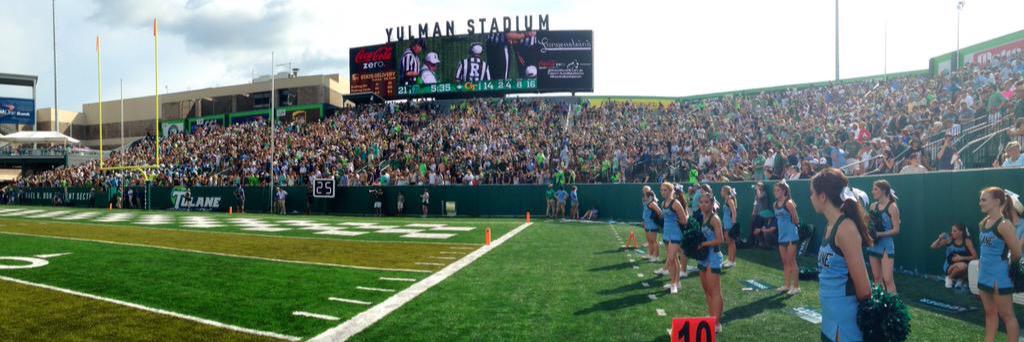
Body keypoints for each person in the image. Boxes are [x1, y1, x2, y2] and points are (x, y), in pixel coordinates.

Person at [809, 168, 873, 342]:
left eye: (812, 193)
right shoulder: (830, 225)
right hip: (829, 317)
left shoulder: (845, 228)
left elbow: (864, 289)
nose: (810, 197)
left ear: (823, 197)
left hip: (845, 321)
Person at [976, 187, 1021, 342]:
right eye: (980, 199)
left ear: (996, 201)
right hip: (984, 274)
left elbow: (1016, 252)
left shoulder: (1004, 224)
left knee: (1007, 316)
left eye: (983, 199)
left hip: (999, 276)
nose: (980, 203)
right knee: (989, 313)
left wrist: (1008, 270)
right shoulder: (984, 223)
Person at [653, 182, 690, 294]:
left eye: (665, 190)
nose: (663, 192)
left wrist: (675, 222)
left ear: (671, 191)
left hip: (675, 234)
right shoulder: (664, 203)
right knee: (673, 260)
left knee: (671, 257)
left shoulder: (676, 203)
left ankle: (673, 284)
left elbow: (684, 220)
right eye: (662, 190)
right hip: (666, 234)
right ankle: (676, 282)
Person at [697, 193, 725, 333]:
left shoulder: (715, 219)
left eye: (706, 202)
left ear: (712, 203)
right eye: (701, 202)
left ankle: (717, 323)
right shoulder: (702, 216)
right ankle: (711, 317)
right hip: (704, 257)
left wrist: (704, 244)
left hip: (713, 256)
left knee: (715, 292)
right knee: (707, 290)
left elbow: (720, 240)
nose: (703, 204)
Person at [867, 180, 901, 293]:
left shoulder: (892, 207)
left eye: (875, 189)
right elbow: (870, 226)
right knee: (877, 278)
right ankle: (880, 305)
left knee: (888, 279)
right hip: (873, 244)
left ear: (884, 191)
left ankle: (894, 309)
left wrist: (879, 234)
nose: (872, 191)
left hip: (886, 245)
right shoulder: (872, 206)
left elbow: (896, 230)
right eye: (873, 189)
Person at [773, 180, 801, 295]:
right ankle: (786, 285)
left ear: (784, 191)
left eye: (778, 190)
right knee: (785, 261)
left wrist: (790, 229)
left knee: (791, 261)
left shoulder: (789, 203)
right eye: (775, 190)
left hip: (791, 235)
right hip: (781, 236)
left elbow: (796, 220)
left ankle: (796, 287)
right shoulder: (774, 205)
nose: (776, 192)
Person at [930, 223, 976, 289]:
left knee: (966, 267)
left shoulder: (967, 241)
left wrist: (961, 258)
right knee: (963, 266)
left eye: (954, 231)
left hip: (964, 268)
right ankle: (949, 278)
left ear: (961, 232)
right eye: (952, 231)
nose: (952, 233)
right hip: (949, 267)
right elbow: (933, 246)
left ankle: (960, 280)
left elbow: (975, 257)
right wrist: (939, 238)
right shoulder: (949, 240)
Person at [750, 182, 774, 249]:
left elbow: (760, 196)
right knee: (756, 229)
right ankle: (759, 243)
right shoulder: (756, 195)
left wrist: (758, 189)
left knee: (762, 229)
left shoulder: (764, 193)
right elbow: (755, 204)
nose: (756, 188)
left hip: (764, 214)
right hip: (758, 214)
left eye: (758, 186)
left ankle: (765, 244)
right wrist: (753, 212)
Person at [641, 186, 661, 263]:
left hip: (652, 224)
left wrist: (655, 218)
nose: (644, 195)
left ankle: (656, 256)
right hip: (647, 223)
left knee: (654, 241)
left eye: (645, 194)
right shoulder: (646, 202)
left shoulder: (652, 203)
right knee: (649, 241)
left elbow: (659, 212)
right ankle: (650, 254)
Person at [720, 186, 738, 268]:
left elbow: (734, 211)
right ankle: (729, 259)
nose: (721, 192)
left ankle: (732, 261)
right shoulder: (726, 200)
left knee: (731, 242)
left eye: (722, 191)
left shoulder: (730, 200)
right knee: (729, 242)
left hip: (730, 224)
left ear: (725, 192)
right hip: (726, 223)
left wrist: (733, 223)